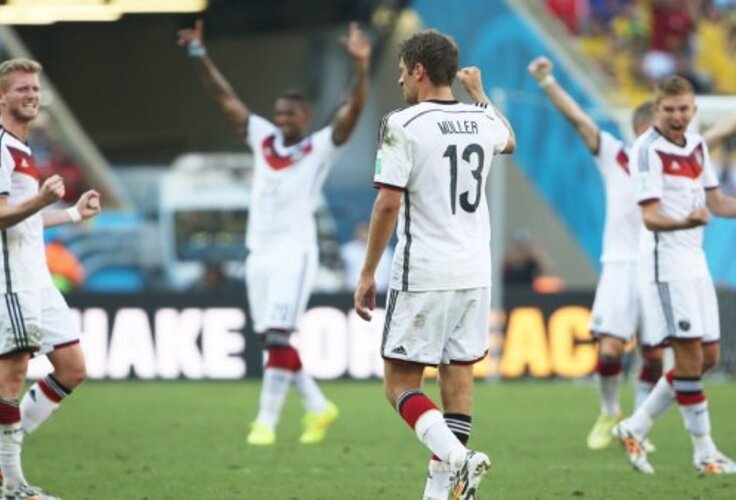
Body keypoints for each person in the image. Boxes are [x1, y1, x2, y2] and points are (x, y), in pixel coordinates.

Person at [528, 56, 736, 453]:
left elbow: (724, 131)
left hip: (665, 262)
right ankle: (611, 412)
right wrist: (547, 82)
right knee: (613, 346)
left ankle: (639, 429)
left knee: (657, 354)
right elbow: (580, 120)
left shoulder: (683, 151)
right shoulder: (620, 154)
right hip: (621, 263)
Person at [177, 20, 370, 446]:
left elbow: (352, 114)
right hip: (258, 253)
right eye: (279, 112)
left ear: (306, 116)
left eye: (291, 113)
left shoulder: (320, 146)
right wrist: (198, 54)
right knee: (270, 338)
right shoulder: (262, 138)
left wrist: (361, 69)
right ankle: (319, 407)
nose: (283, 119)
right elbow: (224, 98)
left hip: (294, 253)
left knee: (280, 336)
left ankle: (264, 422)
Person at [354, 31, 515, 500]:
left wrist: (367, 273)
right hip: (473, 272)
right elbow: (510, 139)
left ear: (419, 70)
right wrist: (480, 95)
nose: (401, 77)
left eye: (404, 68)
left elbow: (387, 204)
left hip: (423, 270)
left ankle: (460, 459)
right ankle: (439, 495)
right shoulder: (480, 120)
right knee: (457, 383)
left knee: (399, 385)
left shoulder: (402, 123)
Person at [613, 75, 736, 475]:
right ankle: (706, 454)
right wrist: (685, 220)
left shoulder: (696, 146)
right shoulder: (647, 151)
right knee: (690, 357)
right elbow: (651, 216)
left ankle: (635, 425)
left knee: (708, 358)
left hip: (695, 261)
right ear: (657, 110)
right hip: (666, 263)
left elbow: (720, 202)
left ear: (694, 110)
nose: (677, 116)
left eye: (683, 109)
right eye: (669, 109)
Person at [0, 58, 102, 500]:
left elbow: (26, 221)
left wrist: (72, 213)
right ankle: (14, 489)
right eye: (21, 89)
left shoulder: (21, 148)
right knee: (8, 378)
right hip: (9, 279)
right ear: (1, 96)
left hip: (36, 278)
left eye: (34, 89)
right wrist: (40, 200)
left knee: (72, 369)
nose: (31, 95)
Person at [340, 221, 392, 293]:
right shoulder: (347, 250)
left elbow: (390, 276)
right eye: (362, 231)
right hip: (351, 293)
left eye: (367, 231)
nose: (364, 234)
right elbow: (339, 273)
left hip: (380, 293)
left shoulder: (386, 251)